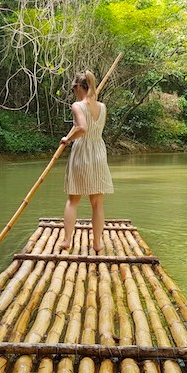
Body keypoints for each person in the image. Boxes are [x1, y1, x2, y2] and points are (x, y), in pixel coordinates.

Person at [59, 70, 114, 253]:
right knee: (97, 203)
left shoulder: (77, 105)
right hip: (98, 153)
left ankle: (67, 240)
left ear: (77, 87)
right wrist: (72, 132)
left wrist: (68, 139)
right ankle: (97, 243)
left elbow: (82, 128)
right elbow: (84, 127)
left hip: (83, 152)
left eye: (73, 88)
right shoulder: (103, 107)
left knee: (73, 200)